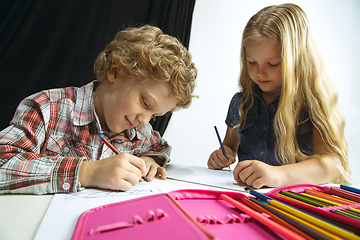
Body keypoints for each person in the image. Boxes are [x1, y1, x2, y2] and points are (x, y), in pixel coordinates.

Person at [0, 25, 197, 194]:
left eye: (154, 116)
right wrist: (88, 172)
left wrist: (150, 160)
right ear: (115, 72)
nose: (145, 121)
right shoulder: (47, 108)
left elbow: (159, 147)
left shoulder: (139, 132)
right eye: (145, 103)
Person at [207, 3, 351, 189]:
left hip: (296, 203)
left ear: (297, 59)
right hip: (248, 198)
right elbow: (229, 145)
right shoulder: (241, 102)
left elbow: (333, 163)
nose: (260, 73)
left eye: (273, 64)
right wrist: (223, 154)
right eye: (252, 62)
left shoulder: (313, 102)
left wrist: (277, 175)